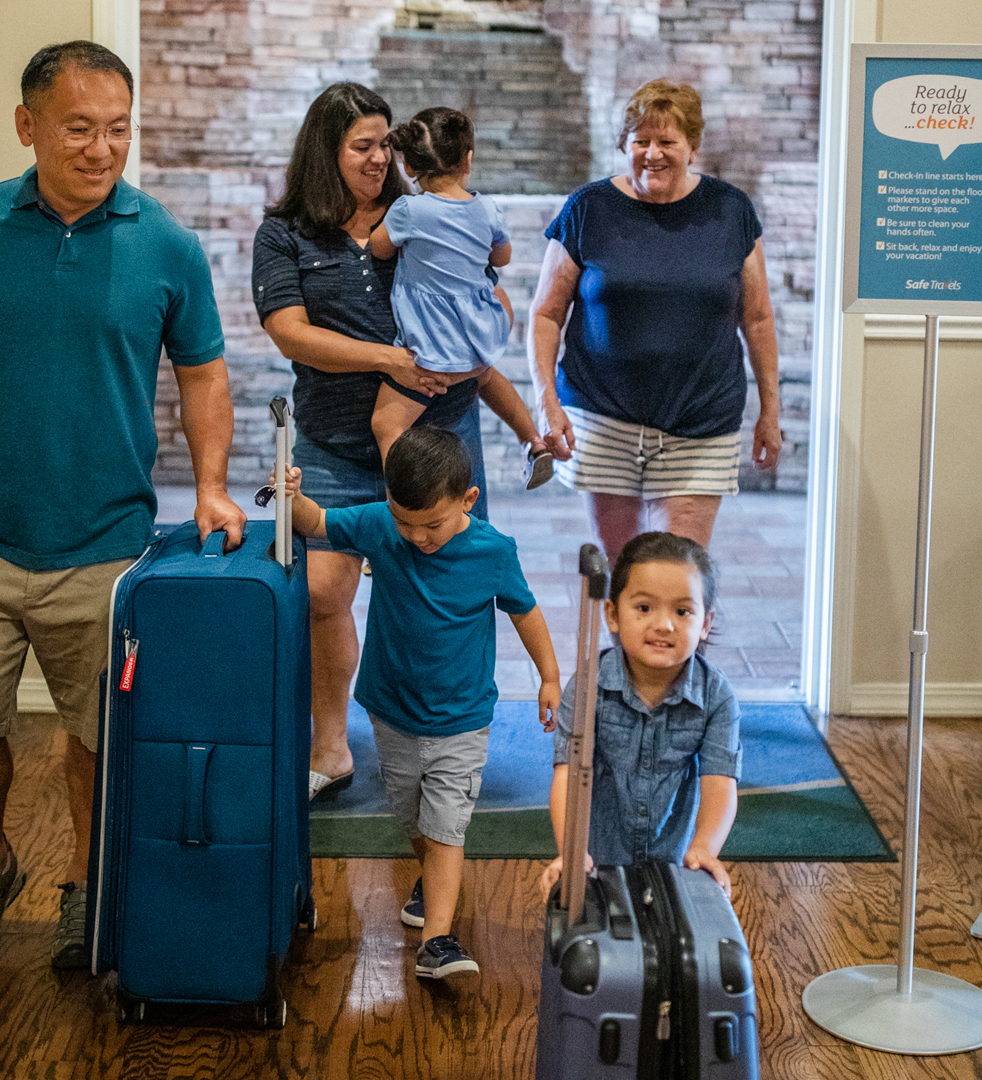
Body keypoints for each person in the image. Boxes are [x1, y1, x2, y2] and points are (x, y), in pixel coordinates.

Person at [0, 41, 244, 971]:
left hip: (107, 543)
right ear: (27, 125)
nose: (100, 147)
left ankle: (84, 882)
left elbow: (203, 373)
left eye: (117, 128)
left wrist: (208, 485)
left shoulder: (164, 244)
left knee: (95, 734)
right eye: (78, 128)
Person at [253, 84, 492, 803]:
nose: (378, 156)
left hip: (434, 441)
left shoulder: (418, 217)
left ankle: (441, 744)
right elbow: (290, 332)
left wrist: (492, 314)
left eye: (386, 142)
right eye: (363, 144)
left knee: (436, 596)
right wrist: (386, 358)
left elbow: (476, 295)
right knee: (325, 591)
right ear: (327, 152)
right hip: (328, 443)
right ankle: (331, 740)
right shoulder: (285, 233)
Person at [283, 426, 560, 978]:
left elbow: (526, 612)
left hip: (461, 718)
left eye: (432, 525)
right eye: (405, 523)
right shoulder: (379, 525)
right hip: (391, 710)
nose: (417, 537)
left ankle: (438, 940)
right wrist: (292, 498)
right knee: (412, 816)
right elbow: (316, 524)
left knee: (446, 826)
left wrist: (549, 676)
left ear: (467, 499)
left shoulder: (492, 551)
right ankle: (427, 881)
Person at [528, 79, 784, 563]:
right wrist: (547, 402)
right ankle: (619, 643)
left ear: (692, 148)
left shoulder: (730, 212)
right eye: (640, 141)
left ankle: (684, 644)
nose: (653, 154)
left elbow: (758, 318)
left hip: (701, 422)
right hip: (602, 417)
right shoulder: (588, 208)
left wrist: (771, 410)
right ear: (624, 145)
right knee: (623, 572)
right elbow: (545, 314)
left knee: (677, 573)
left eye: (667, 141)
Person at [540, 532, 740, 902]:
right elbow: (567, 772)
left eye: (682, 612)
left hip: (674, 862)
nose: (664, 625)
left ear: (705, 624)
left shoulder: (716, 694)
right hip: (597, 860)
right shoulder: (588, 686)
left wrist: (705, 847)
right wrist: (571, 850)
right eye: (645, 608)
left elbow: (719, 781)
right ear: (613, 615)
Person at [368, 107, 552, 488]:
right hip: (480, 330)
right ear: (467, 160)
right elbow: (502, 256)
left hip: (434, 346)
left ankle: (407, 498)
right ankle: (533, 441)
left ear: (408, 166)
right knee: (484, 373)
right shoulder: (486, 208)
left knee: (386, 423)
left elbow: (378, 249)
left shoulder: (409, 210)